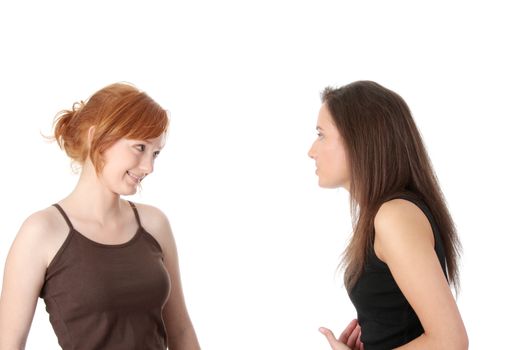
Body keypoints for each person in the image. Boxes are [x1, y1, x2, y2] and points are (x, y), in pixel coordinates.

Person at [0, 83, 200, 350]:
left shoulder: (154, 224)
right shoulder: (41, 231)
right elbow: (8, 343)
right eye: (139, 147)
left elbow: (181, 331)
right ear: (97, 138)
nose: (149, 167)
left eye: (156, 153)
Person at [308, 81, 468, 349]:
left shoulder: (394, 216)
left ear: (359, 140)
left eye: (321, 135)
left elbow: (450, 342)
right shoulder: (385, 215)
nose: (312, 150)